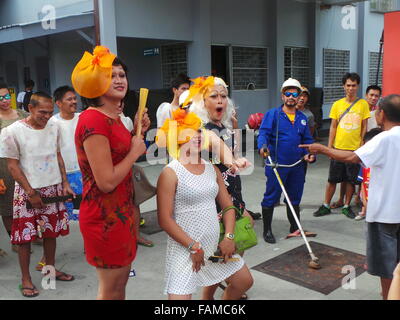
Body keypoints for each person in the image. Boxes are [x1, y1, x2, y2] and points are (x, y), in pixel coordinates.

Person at [300, 94, 400, 300]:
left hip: (383, 216)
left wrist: (322, 149)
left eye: (377, 112)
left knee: (386, 268)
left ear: (382, 113)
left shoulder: (385, 138)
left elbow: (352, 157)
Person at [73, 46, 150, 300]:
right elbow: (105, 181)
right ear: (95, 82)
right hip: (104, 217)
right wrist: (134, 151)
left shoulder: (114, 117)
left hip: (123, 212)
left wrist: (139, 131)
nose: (119, 80)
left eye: (122, 75)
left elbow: (118, 154)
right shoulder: (92, 120)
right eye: (111, 75)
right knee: (110, 290)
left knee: (120, 288)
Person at [156, 108, 253, 300]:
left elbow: (228, 207)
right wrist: (193, 247)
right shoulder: (170, 173)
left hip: (213, 245)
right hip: (185, 249)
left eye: (199, 131)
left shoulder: (212, 169)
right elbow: (164, 220)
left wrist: (229, 237)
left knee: (244, 281)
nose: (198, 136)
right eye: (190, 132)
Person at [0, 91, 75, 298]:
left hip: (53, 188)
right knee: (25, 238)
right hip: (26, 192)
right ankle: (26, 279)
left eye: (50, 112)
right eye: (42, 112)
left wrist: (65, 183)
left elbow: (57, 155)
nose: (47, 116)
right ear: (30, 108)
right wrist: (30, 192)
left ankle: (49, 270)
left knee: (51, 233)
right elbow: (13, 167)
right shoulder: (12, 131)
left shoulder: (54, 126)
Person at [257, 78, 316, 243]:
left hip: (297, 166)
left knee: (294, 197)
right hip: (277, 165)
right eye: (287, 93)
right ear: (282, 96)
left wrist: (309, 153)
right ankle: (267, 230)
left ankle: (294, 227)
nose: (291, 96)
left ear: (299, 96)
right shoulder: (273, 114)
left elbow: (308, 140)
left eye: (294, 93)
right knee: (271, 196)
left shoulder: (302, 118)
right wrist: (262, 147)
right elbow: (263, 134)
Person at [313, 72, 370, 219]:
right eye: (348, 85)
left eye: (354, 85)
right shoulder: (337, 105)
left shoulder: (363, 104)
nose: (351, 88)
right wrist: (329, 147)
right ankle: (326, 205)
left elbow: (364, 126)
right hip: (337, 148)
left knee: (350, 180)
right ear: (344, 86)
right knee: (332, 179)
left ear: (358, 87)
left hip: (354, 150)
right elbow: (333, 127)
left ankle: (346, 206)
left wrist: (362, 145)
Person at [0, 83, 29, 254]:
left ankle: (32, 234)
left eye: (6, 96)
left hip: (25, 164)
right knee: (7, 206)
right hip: (4, 166)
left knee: (28, 201)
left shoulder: (22, 114)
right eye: (0, 98)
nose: (4, 101)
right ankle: (14, 239)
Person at [50, 86, 81, 221]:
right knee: (71, 213)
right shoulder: (52, 123)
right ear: (58, 103)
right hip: (64, 174)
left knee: (88, 211)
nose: (74, 101)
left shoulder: (83, 117)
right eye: (69, 99)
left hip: (85, 171)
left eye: (75, 98)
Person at [354, 128, 382, 221]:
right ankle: (364, 211)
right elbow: (362, 183)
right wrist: (365, 203)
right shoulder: (364, 164)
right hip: (369, 203)